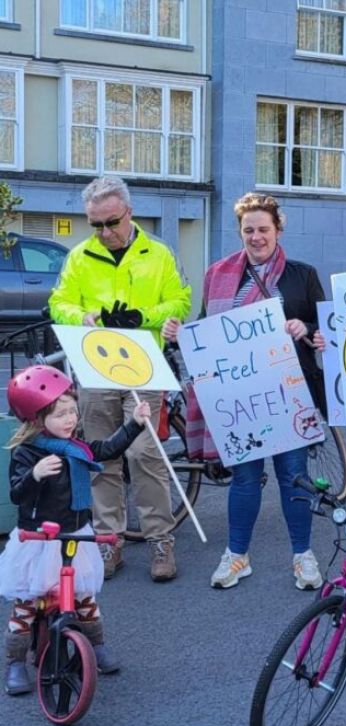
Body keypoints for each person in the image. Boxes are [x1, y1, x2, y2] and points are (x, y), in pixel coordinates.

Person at [163, 193, 326, 591]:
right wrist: (180, 334)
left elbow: (325, 328)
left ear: (278, 230)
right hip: (240, 399)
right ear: (240, 232)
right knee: (245, 479)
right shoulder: (219, 274)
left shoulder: (302, 275)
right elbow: (206, 330)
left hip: (289, 392)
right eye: (249, 230)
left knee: (294, 477)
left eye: (263, 229)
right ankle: (237, 556)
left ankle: (302, 555)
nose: (256, 237)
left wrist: (307, 329)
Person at [49, 176, 191, 582]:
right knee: (100, 457)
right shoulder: (79, 257)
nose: (105, 232)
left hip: (143, 367)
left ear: (129, 212)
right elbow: (59, 302)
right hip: (95, 367)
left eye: (111, 222)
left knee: (144, 453)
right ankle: (109, 542)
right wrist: (82, 317)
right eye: (96, 224)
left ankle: (160, 541)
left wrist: (145, 317)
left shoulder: (159, 253)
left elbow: (181, 299)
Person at [0, 365, 150, 694]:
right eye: (60, 414)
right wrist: (34, 474)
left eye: (72, 411)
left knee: (84, 598)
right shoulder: (28, 453)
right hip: (39, 539)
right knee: (27, 604)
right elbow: (16, 494)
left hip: (75, 536)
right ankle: (14, 662)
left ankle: (96, 647)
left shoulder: (77, 448)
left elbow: (108, 449)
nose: (70, 420)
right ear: (37, 419)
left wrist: (134, 424)